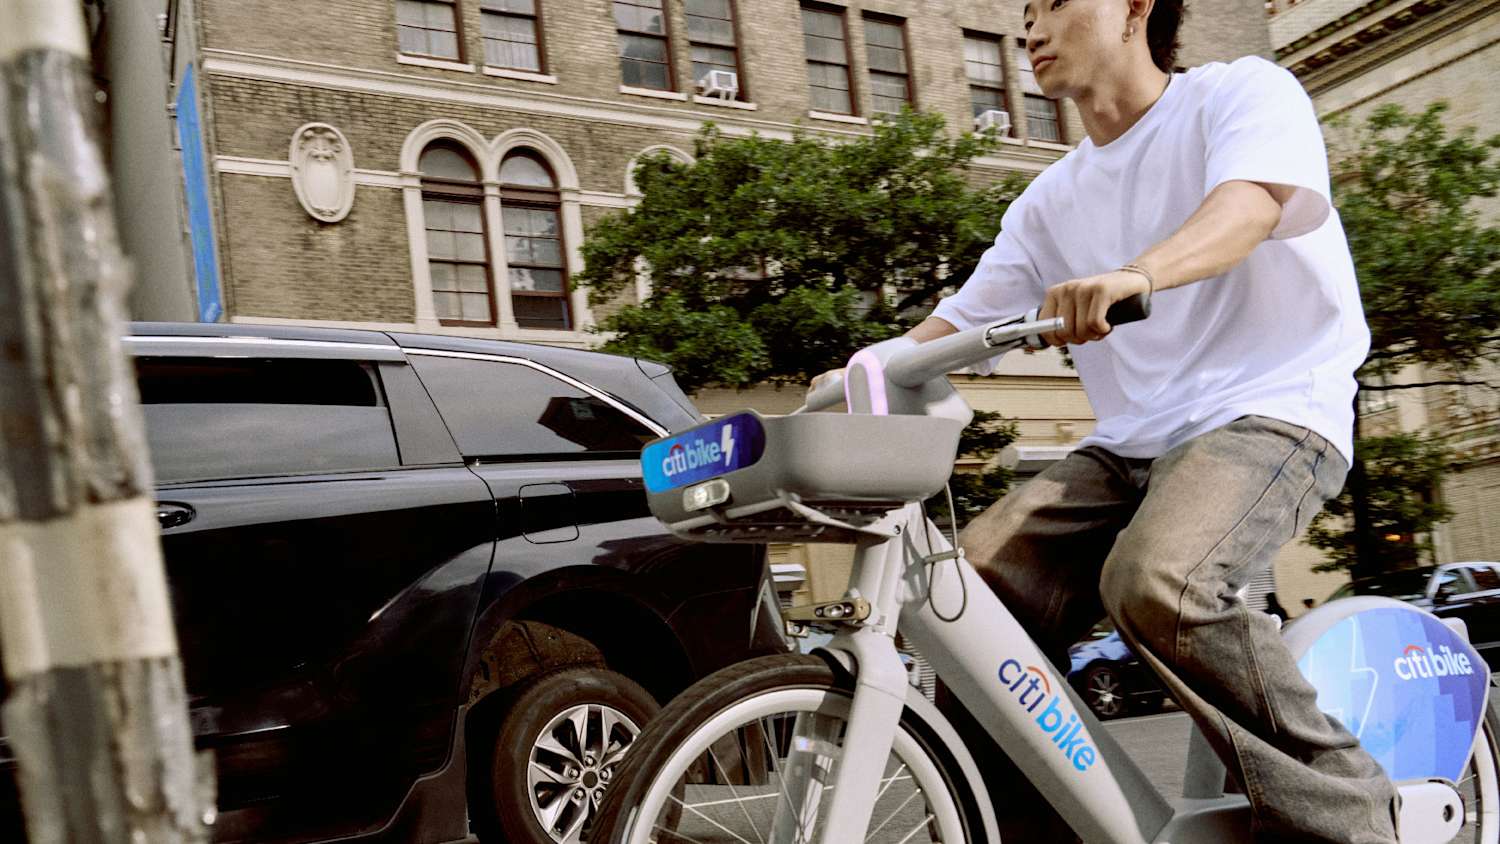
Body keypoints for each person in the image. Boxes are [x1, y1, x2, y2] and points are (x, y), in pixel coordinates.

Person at [902, 0, 1396, 840]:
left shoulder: (1240, 95)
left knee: (1157, 581)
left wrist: (1139, 274)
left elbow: (1250, 209)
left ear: (1135, 7)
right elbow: (954, 323)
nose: (1030, 29)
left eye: (1052, 4)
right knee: (964, 595)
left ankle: (1349, 815)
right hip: (1131, 443)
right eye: (1023, 13)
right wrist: (857, 371)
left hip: (1271, 409)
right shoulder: (1049, 200)